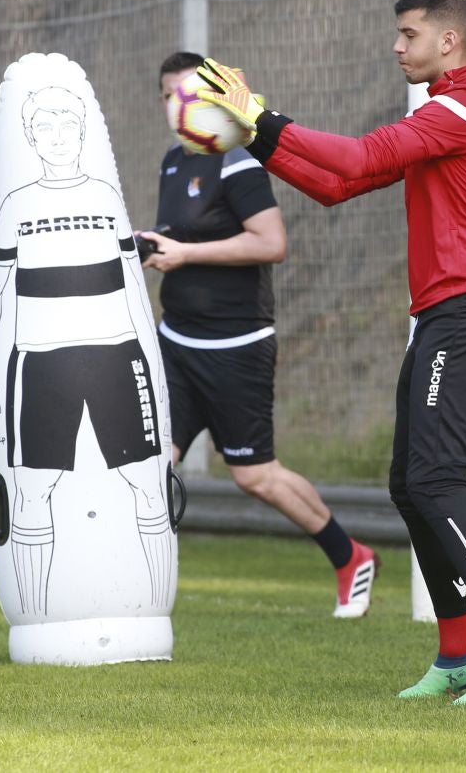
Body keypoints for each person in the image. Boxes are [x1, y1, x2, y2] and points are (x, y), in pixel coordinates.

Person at [194, 0, 466, 706]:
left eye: (409, 34)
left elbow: (355, 158)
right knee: (408, 482)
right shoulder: (445, 113)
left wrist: (262, 115)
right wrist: (252, 136)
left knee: (436, 480)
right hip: (446, 317)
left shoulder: (464, 107)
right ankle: (458, 651)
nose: (397, 46)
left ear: (448, 41)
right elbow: (336, 187)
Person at [140, 52, 379, 619]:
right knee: (148, 464)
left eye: (191, 93)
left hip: (235, 348)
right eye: (170, 95)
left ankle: (350, 556)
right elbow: (181, 236)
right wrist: (148, 243)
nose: (181, 105)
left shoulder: (239, 162)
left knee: (255, 477)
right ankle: (138, 593)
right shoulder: (174, 162)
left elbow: (270, 242)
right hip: (175, 341)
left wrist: (187, 254)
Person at [0, 85, 174, 613]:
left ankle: (152, 610)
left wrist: (151, 369)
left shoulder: (106, 200)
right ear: (30, 137)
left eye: (68, 124)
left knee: (147, 484)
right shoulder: (16, 207)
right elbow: (0, 299)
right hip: (40, 363)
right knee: (32, 492)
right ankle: (38, 618)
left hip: (116, 358)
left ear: (83, 132)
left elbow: (134, 291)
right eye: (45, 126)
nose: (59, 137)